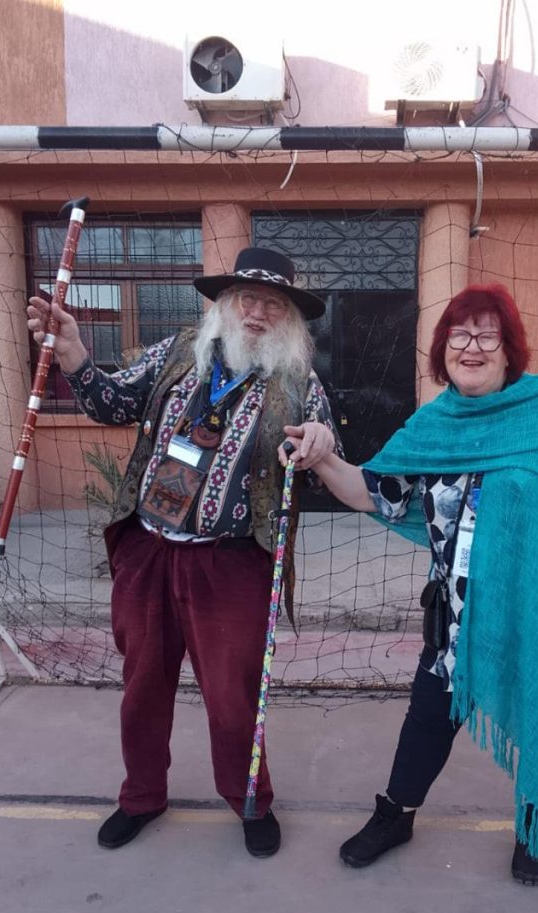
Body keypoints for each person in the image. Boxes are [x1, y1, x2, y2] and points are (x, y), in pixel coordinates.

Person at [280, 283, 538, 885]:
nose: (472, 346)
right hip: (457, 617)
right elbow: (372, 493)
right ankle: (396, 814)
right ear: (443, 351)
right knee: (429, 718)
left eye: (488, 334)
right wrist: (321, 456)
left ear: (510, 350)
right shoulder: (434, 426)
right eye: (460, 335)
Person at [26, 247, 340, 857]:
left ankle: (250, 799)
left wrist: (321, 444)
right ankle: (141, 795)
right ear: (225, 303)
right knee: (142, 685)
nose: (256, 311)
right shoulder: (176, 353)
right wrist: (72, 354)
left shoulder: (301, 383)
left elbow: (323, 465)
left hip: (231, 562)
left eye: (272, 304)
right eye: (247, 298)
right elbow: (110, 404)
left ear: (289, 319)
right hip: (149, 549)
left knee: (232, 693)